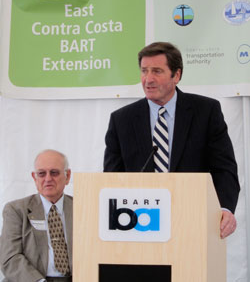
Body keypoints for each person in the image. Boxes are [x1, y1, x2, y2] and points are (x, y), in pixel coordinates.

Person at [104, 41, 240, 239]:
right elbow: (112, 177)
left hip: (194, 221)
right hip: (139, 225)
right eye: (144, 71)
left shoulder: (206, 112)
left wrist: (225, 208)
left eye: (157, 71)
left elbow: (224, 169)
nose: (148, 79)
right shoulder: (121, 120)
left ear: (176, 75)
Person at [0, 149, 72, 282]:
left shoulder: (82, 208)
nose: (48, 179)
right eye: (42, 173)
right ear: (34, 177)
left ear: (67, 176)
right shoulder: (16, 210)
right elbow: (9, 258)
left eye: (54, 173)